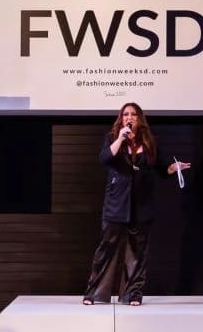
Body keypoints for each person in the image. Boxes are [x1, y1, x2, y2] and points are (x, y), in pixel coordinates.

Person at [82, 102, 191, 306]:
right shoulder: (112, 138)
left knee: (137, 253)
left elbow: (161, 168)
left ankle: (132, 294)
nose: (129, 117)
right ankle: (94, 293)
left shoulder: (150, 141)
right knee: (106, 249)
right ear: (121, 118)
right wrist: (120, 138)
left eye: (133, 114)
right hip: (117, 204)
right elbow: (104, 158)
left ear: (140, 119)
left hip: (141, 204)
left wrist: (173, 168)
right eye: (126, 114)